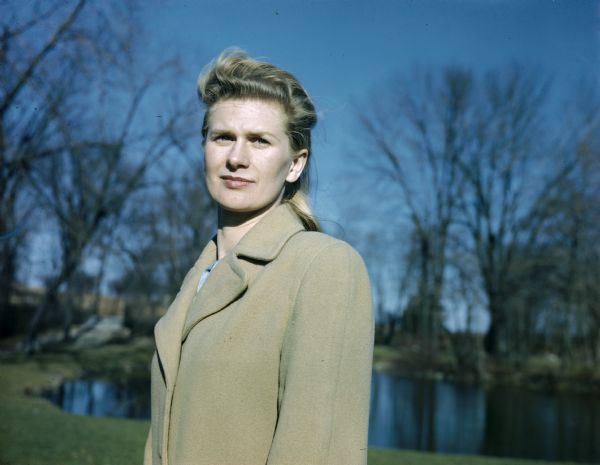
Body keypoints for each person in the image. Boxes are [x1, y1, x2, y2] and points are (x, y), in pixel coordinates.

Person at [144, 50, 374, 465]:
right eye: (223, 137)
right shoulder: (197, 278)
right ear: (205, 148)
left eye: (260, 141)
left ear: (294, 164)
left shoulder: (323, 266)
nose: (236, 157)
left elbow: (319, 453)